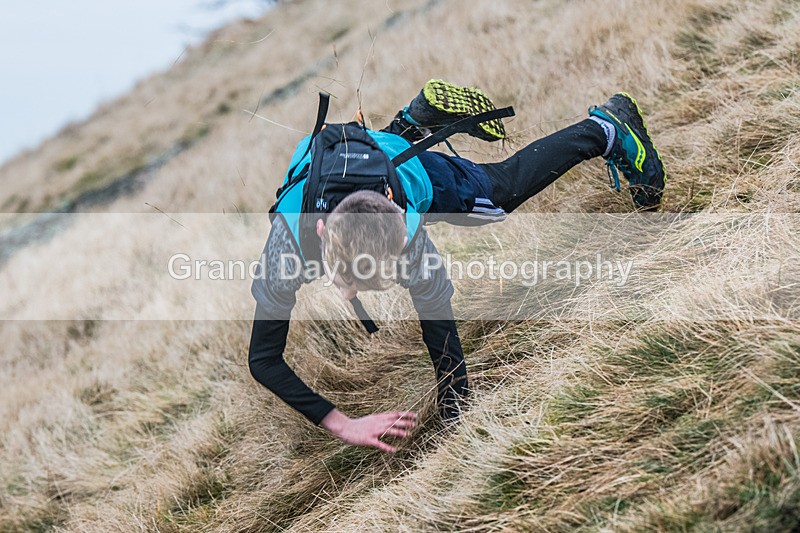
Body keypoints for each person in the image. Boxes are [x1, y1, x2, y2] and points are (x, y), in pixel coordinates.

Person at [249, 80, 666, 453]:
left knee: (500, 196)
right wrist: (343, 425)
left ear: (403, 228)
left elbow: (436, 313)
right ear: (320, 230)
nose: (345, 292)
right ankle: (410, 124)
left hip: (393, 162)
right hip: (328, 160)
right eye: (345, 279)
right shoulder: (285, 248)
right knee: (397, 159)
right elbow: (264, 359)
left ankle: (606, 128)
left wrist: (455, 408)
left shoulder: (409, 226)